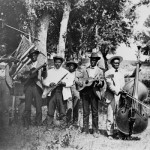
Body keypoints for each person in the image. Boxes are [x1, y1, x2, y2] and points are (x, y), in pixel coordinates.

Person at [105, 55, 137, 140]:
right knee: (110, 115)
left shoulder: (122, 71)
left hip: (121, 97)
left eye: (118, 63)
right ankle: (110, 133)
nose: (116, 64)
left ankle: (120, 132)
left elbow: (132, 74)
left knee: (121, 115)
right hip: (111, 96)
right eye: (115, 63)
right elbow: (110, 85)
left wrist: (137, 67)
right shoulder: (108, 72)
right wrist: (117, 91)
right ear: (112, 63)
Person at [75, 52, 105, 138]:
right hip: (85, 92)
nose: (93, 61)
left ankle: (95, 130)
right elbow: (77, 77)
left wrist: (99, 83)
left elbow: (102, 83)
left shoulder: (100, 71)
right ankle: (85, 130)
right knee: (85, 111)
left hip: (94, 92)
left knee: (95, 112)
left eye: (94, 60)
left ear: (97, 61)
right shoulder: (85, 69)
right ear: (90, 60)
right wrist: (80, 83)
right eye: (92, 60)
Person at [42, 54, 73, 130]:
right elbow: (44, 80)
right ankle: (49, 125)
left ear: (61, 63)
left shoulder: (66, 72)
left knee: (62, 109)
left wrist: (64, 83)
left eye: (59, 62)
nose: (57, 64)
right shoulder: (49, 71)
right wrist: (50, 84)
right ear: (54, 62)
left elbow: (71, 82)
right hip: (52, 92)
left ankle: (63, 126)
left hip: (61, 92)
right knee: (50, 109)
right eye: (56, 62)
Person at [17, 48, 45, 129]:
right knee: (27, 106)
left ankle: (38, 124)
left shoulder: (40, 65)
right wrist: (22, 76)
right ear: (30, 57)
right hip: (28, 87)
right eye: (32, 55)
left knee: (38, 106)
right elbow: (19, 74)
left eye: (35, 55)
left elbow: (45, 75)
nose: (33, 56)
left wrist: (45, 68)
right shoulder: (27, 66)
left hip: (37, 87)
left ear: (37, 56)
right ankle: (26, 124)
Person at [0, 57, 18, 128]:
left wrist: (14, 63)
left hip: (5, 83)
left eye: (4, 47)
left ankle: (5, 126)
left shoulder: (8, 64)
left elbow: (12, 72)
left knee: (5, 105)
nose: (3, 48)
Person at [65, 59, 80, 127]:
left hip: (76, 90)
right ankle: (68, 122)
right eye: (70, 65)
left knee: (76, 107)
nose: (71, 67)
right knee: (69, 107)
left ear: (74, 66)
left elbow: (81, 82)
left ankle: (75, 122)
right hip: (68, 89)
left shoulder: (77, 73)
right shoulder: (66, 73)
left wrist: (77, 81)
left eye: (72, 65)